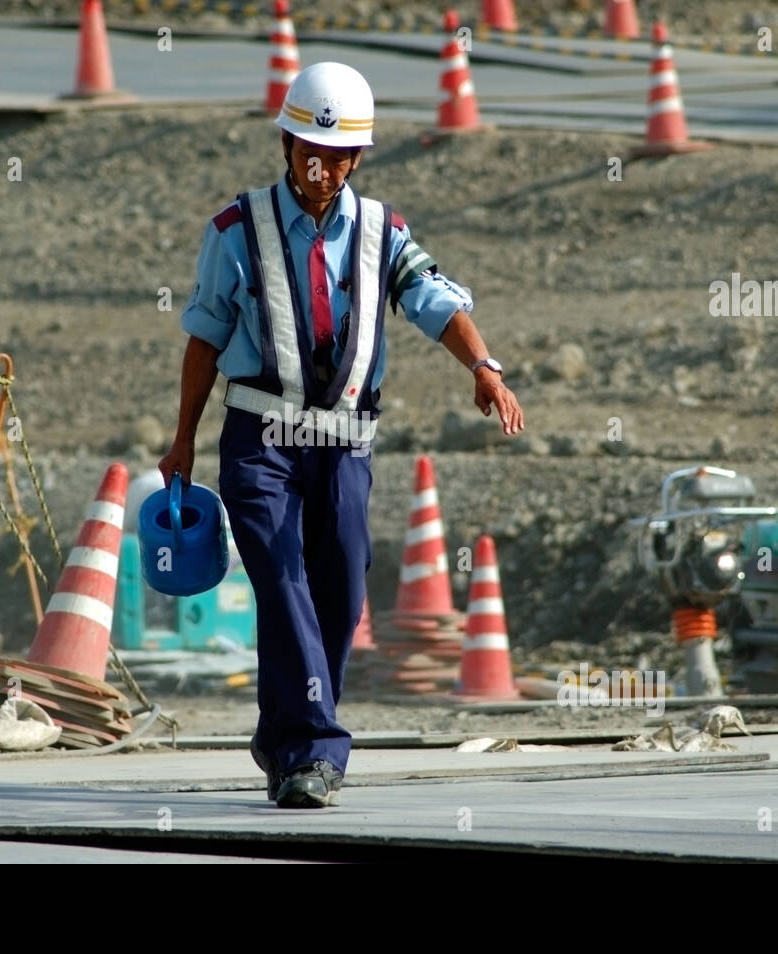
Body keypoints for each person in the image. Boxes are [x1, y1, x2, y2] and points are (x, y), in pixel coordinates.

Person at [159, 62, 524, 808]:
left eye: (335, 155)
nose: (319, 167)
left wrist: (483, 365)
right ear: (287, 145)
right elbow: (203, 339)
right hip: (259, 438)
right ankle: (317, 751)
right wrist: (183, 440)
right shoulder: (236, 231)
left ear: (357, 157)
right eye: (305, 150)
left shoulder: (383, 231)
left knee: (342, 592)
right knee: (282, 574)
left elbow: (433, 300)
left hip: (345, 442)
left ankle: (281, 735)